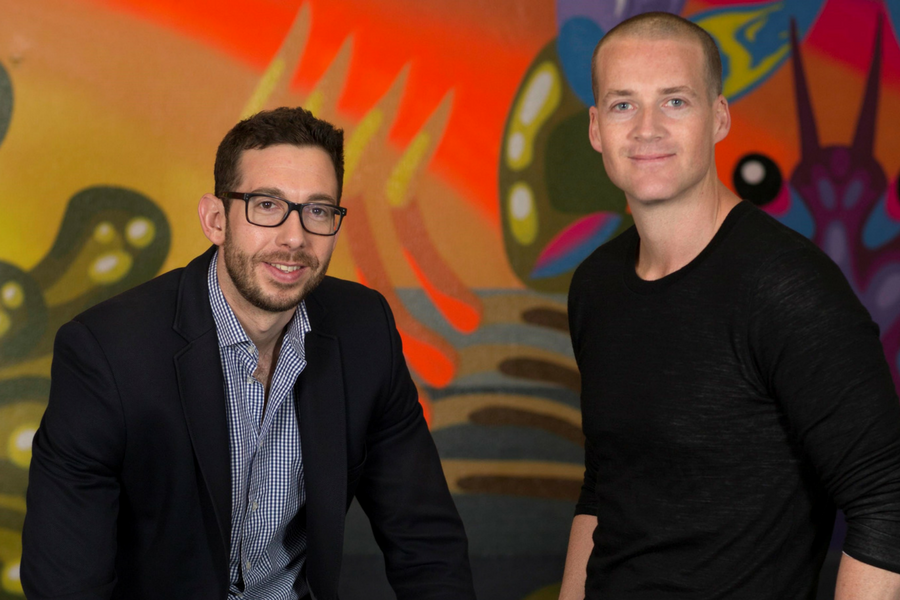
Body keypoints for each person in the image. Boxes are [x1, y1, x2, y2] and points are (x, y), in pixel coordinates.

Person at [22, 107, 476, 600]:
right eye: (266, 205)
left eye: (318, 210)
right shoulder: (106, 353)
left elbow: (426, 542)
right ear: (216, 220)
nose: (295, 238)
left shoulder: (365, 330)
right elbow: (65, 584)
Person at [559, 11, 900, 599]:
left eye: (674, 102)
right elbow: (605, 482)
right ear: (596, 128)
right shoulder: (595, 285)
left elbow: (886, 497)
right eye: (623, 104)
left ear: (719, 117)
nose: (646, 129)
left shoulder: (787, 286)